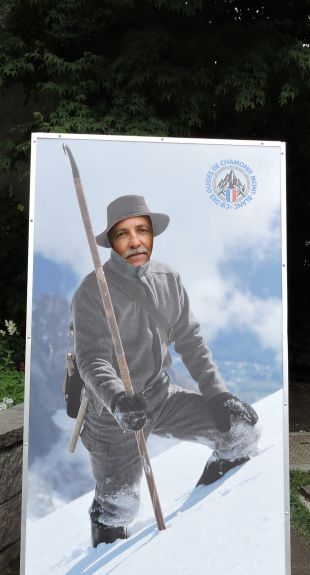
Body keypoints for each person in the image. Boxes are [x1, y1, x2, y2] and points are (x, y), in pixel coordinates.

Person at [72, 194, 259, 547]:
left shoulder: (169, 279)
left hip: (161, 395)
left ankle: (202, 505)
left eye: (142, 230)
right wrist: (118, 400)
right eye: (123, 234)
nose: (135, 240)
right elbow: (92, 359)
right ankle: (104, 549)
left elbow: (190, 340)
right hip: (113, 413)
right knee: (120, 505)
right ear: (111, 242)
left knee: (240, 433)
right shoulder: (91, 291)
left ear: (152, 233)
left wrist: (218, 394)